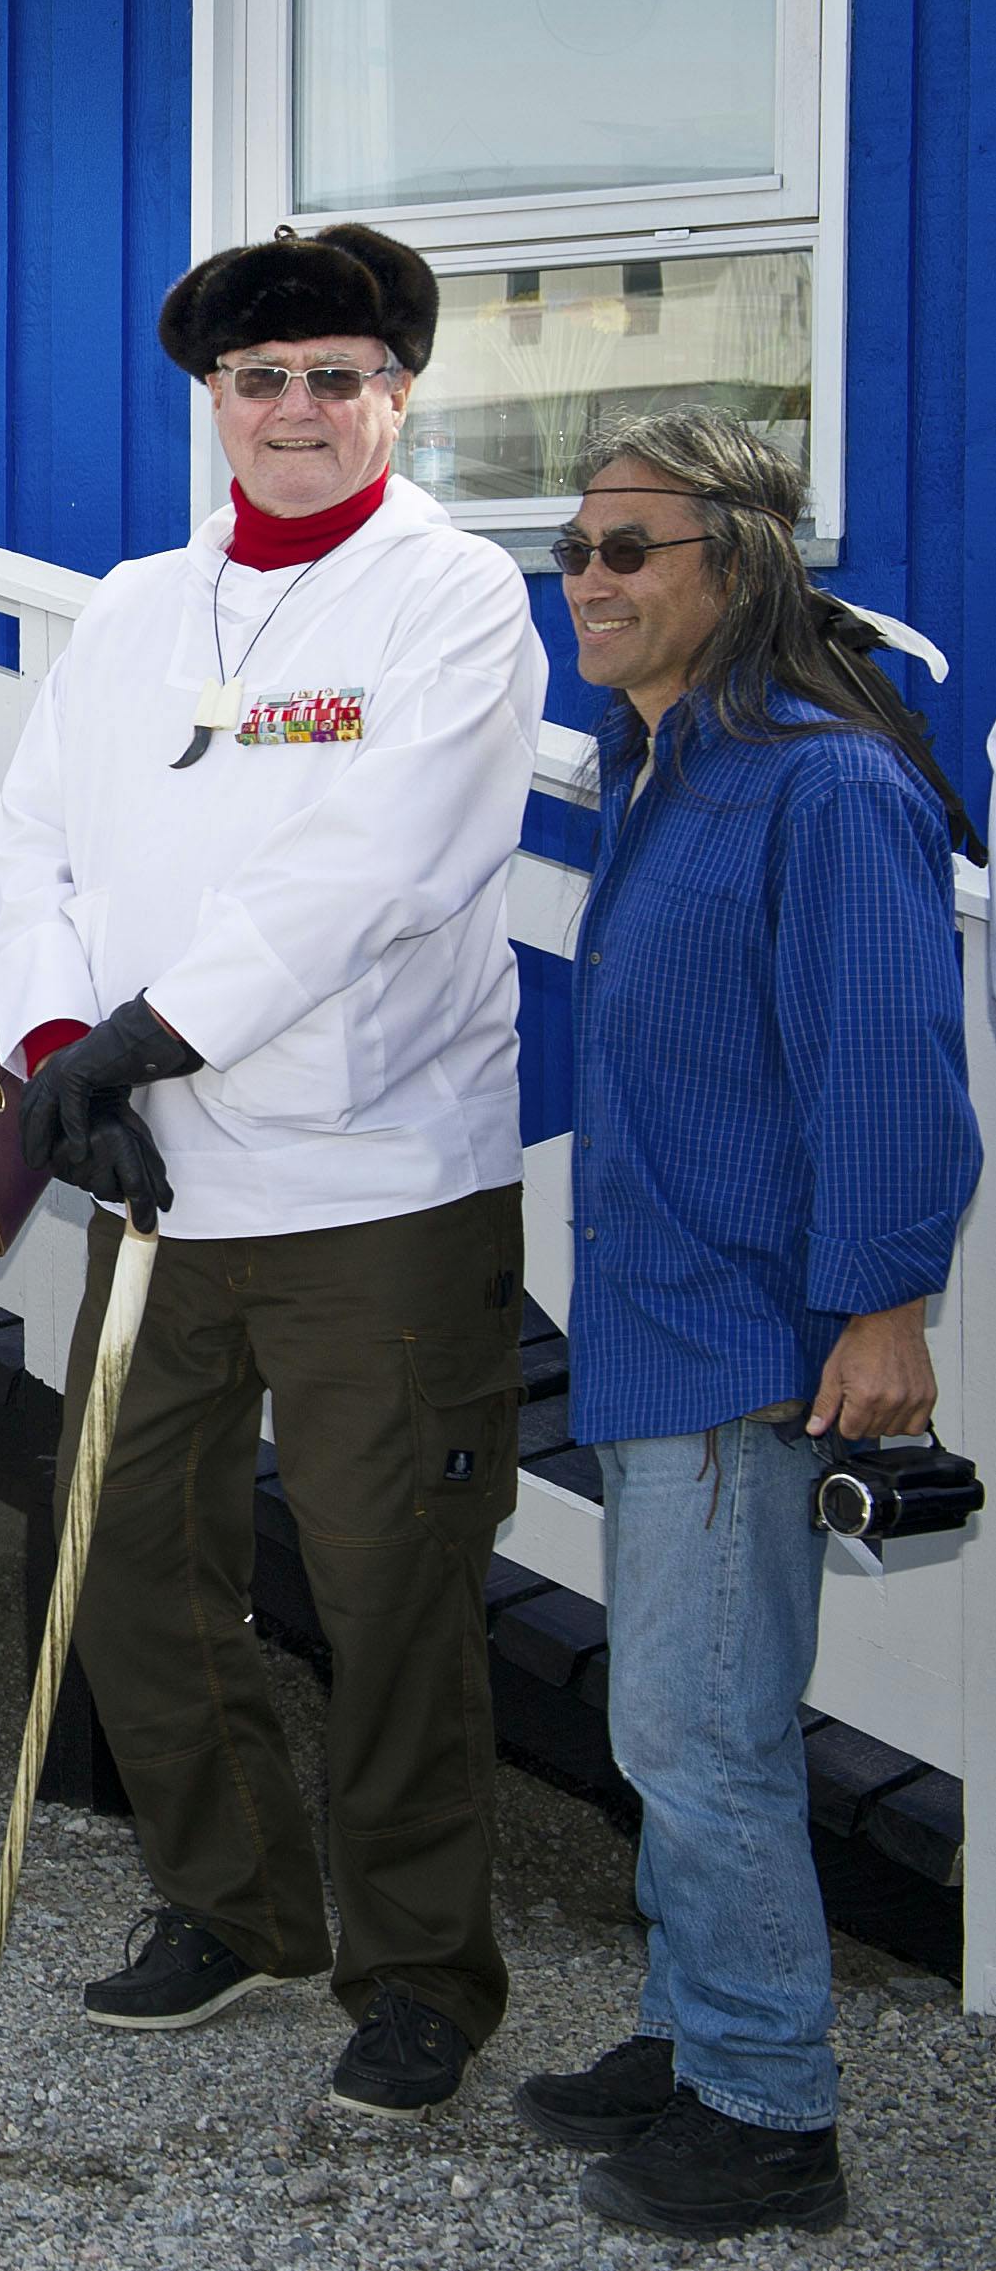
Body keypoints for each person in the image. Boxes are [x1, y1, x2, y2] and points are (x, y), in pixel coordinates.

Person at [0, 223, 548, 2118]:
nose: (292, 411)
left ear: (393, 392)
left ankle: (413, 1973)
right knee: (126, 1553)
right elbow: (33, 836)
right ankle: (232, 1901)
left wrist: (153, 1033)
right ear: (208, 400)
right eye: (255, 381)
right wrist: (59, 1052)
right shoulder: (134, 603)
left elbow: (373, 862)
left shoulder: (450, 598)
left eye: (331, 377)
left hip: (372, 1177)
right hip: (151, 1174)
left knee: (390, 1588)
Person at [510, 412, 981, 2238]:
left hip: (750, 1335)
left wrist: (881, 1302)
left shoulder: (820, 784)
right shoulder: (662, 770)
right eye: (571, 549)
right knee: (680, 1713)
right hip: (655, 1315)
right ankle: (689, 2022)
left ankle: (767, 2108)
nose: (585, 580)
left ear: (739, 566)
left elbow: (886, 1066)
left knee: (694, 1735)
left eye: (626, 549)